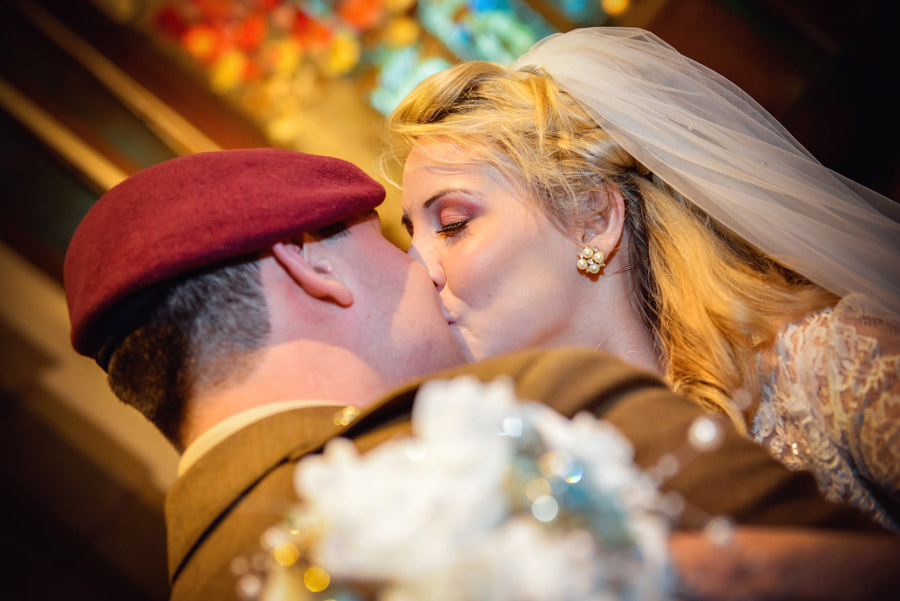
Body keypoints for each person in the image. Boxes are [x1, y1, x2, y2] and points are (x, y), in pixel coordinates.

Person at [64, 148, 890, 600]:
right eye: (392, 241)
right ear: (311, 266)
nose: (425, 271)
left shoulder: (204, 579)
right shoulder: (529, 421)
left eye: (450, 224)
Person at [388, 26, 900, 531]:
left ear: (593, 219)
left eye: (452, 224)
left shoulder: (830, 369)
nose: (418, 270)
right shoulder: (539, 492)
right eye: (411, 239)